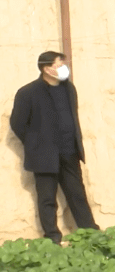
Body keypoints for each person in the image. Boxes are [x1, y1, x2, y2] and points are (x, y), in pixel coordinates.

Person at [10, 51, 100, 244]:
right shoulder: (28, 93)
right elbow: (17, 123)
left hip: (69, 152)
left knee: (77, 195)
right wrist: (36, 143)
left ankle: (91, 233)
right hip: (44, 155)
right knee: (47, 199)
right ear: (47, 69)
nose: (63, 68)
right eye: (59, 65)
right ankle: (52, 238)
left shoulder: (69, 89)